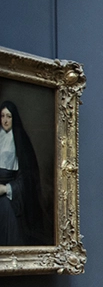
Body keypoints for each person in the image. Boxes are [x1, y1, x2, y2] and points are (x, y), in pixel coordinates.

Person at [0, 100, 46, 246]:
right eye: (2, 116)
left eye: (9, 116)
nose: (5, 120)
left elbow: (26, 178)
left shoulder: (21, 141)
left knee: (5, 207)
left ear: (14, 118)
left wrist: (6, 189)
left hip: (12, 195)